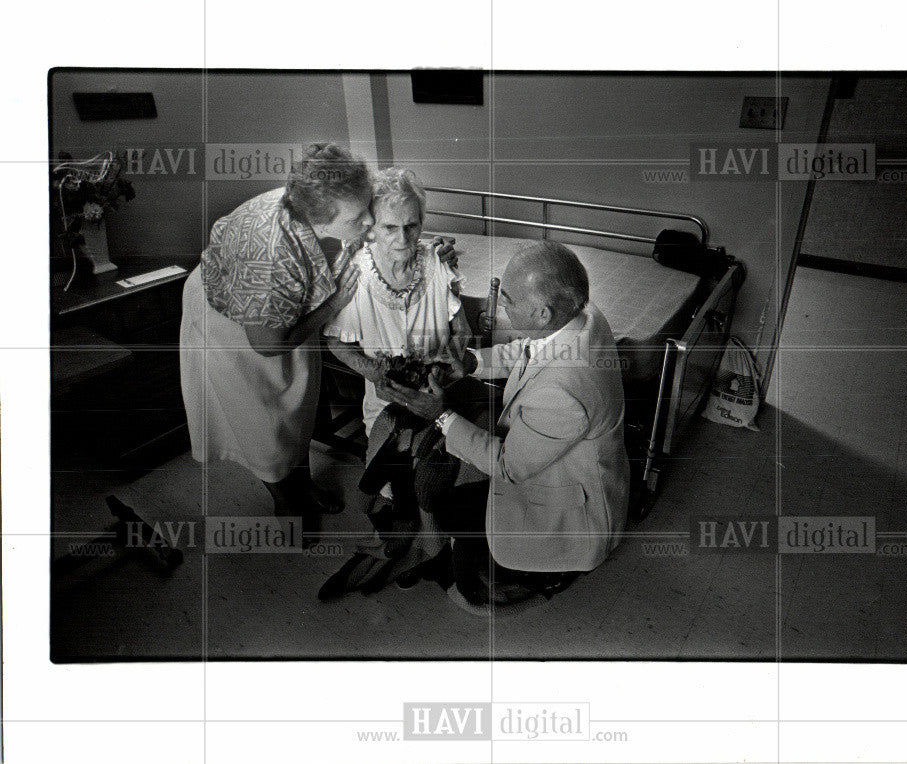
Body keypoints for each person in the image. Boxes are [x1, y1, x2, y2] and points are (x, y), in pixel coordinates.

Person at [179, 143, 455, 535]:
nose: (369, 224)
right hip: (235, 326)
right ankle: (287, 504)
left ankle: (304, 484)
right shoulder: (270, 253)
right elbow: (268, 345)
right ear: (321, 221)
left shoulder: (327, 212)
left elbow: (393, 225)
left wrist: (431, 250)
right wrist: (333, 304)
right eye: (362, 217)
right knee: (262, 421)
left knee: (297, 405)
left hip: (294, 311)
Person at [379, 240, 630, 605]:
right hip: (566, 463)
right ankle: (460, 555)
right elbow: (530, 348)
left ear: (543, 313)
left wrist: (440, 415)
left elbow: (507, 465)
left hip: (571, 504)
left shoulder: (565, 391)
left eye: (508, 298)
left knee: (456, 515)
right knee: (450, 499)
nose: (502, 304)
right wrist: (471, 363)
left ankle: (538, 573)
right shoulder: (583, 316)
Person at [318, 167, 470, 594]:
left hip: (437, 397)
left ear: (422, 222)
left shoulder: (437, 262)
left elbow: (463, 330)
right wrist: (376, 371)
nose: (403, 239)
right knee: (389, 478)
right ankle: (394, 537)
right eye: (389, 227)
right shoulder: (357, 277)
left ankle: (432, 544)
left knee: (433, 478)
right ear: (371, 227)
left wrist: (454, 358)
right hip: (383, 400)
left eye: (412, 225)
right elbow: (335, 343)